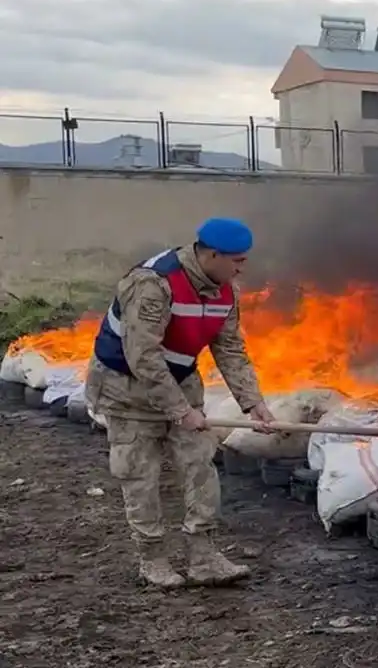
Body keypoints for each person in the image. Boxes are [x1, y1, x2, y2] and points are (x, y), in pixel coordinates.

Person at [86, 217, 276, 588]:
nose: (242, 268)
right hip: (125, 387)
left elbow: (231, 348)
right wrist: (179, 411)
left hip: (179, 378)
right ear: (211, 254)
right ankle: (152, 558)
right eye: (236, 260)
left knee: (200, 463)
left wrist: (252, 402)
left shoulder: (226, 291)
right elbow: (143, 357)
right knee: (140, 474)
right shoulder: (153, 284)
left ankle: (203, 556)